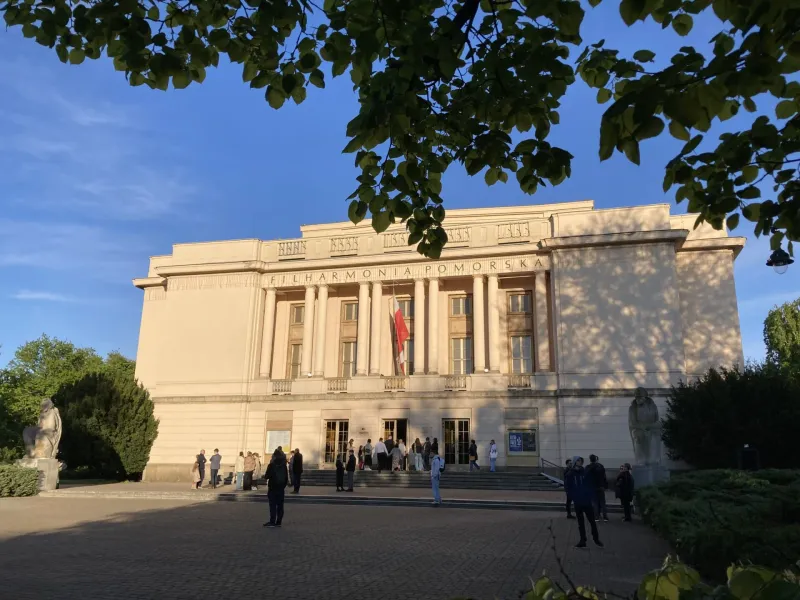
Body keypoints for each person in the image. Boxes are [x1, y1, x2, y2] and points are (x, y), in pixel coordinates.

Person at [565, 456, 603, 549]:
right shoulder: (570, 474)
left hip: (586, 500)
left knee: (592, 521)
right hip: (578, 501)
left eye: (581, 460)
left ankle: (596, 538)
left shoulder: (585, 472)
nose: (580, 462)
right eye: (578, 460)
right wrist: (573, 497)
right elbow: (568, 487)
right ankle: (583, 540)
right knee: (580, 522)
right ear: (574, 462)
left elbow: (590, 483)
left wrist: (589, 495)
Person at [263, 448, 289, 528]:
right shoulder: (284, 465)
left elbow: (267, 476)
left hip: (272, 487)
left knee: (273, 505)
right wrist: (283, 486)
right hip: (281, 488)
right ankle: (279, 522)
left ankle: (272, 521)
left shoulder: (271, 465)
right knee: (280, 505)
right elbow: (286, 478)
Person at [585, 454, 609, 522]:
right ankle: (605, 517)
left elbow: (585, 476)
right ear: (596, 459)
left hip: (593, 487)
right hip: (601, 486)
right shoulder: (600, 466)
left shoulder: (589, 467)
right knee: (602, 502)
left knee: (594, 502)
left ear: (590, 459)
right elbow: (604, 476)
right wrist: (605, 485)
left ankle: (596, 517)